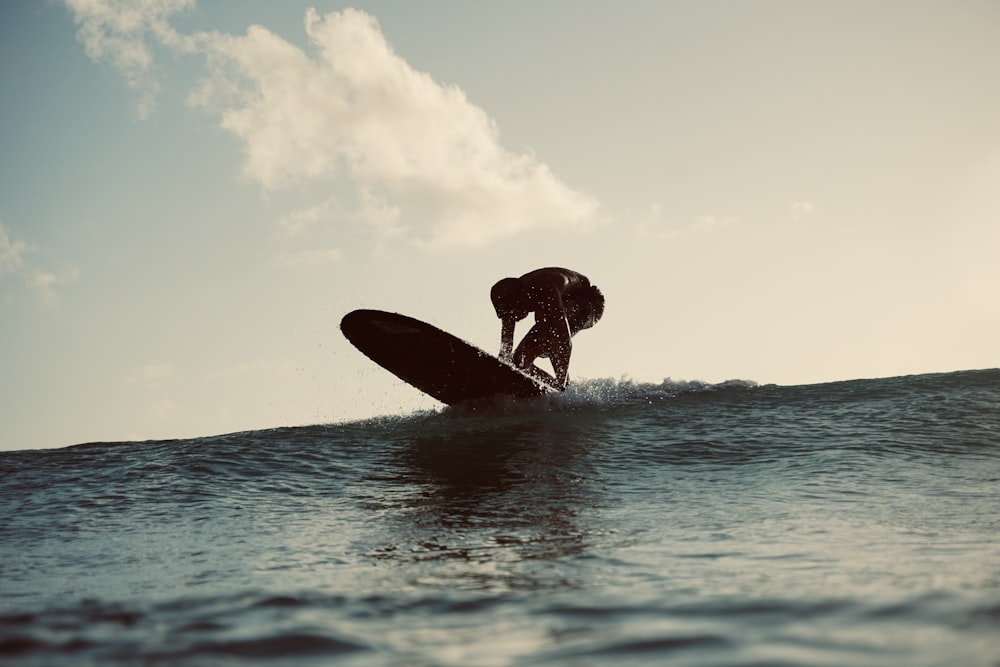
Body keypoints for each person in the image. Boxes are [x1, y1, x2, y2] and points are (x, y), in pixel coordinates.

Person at [490, 267, 604, 391]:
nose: (512, 319)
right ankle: (551, 387)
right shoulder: (510, 298)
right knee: (520, 359)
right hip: (560, 304)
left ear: (523, 298)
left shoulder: (547, 289)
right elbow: (506, 346)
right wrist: (500, 367)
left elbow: (563, 340)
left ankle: (562, 387)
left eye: (514, 314)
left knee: (545, 320)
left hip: (590, 302)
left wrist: (561, 380)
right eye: (507, 316)